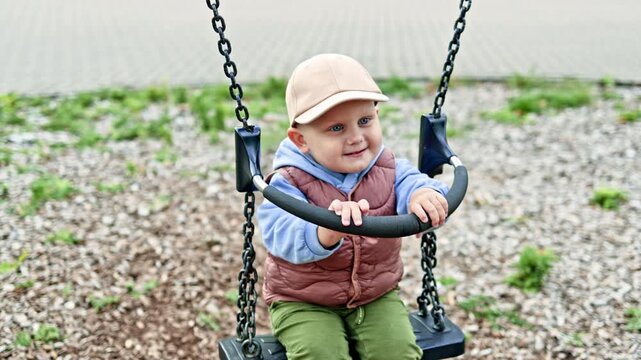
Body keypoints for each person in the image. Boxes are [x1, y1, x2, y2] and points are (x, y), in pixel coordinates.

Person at [257, 53, 449, 360]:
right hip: (304, 300)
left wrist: (423, 196)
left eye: (365, 120)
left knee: (399, 352)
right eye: (337, 128)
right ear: (301, 140)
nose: (356, 137)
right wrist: (324, 230)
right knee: (320, 354)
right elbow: (279, 235)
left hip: (375, 296)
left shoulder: (389, 168)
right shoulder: (287, 182)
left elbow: (415, 183)